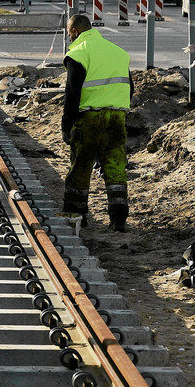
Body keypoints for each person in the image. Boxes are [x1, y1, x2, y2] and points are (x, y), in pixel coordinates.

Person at [60, 13, 134, 232]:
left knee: (80, 168)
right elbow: (130, 88)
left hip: (89, 119)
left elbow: (72, 93)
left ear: (74, 32)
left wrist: (66, 125)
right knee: (115, 167)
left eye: (69, 33)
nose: (69, 37)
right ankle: (119, 219)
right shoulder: (118, 53)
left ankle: (76, 217)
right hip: (117, 117)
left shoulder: (78, 53)